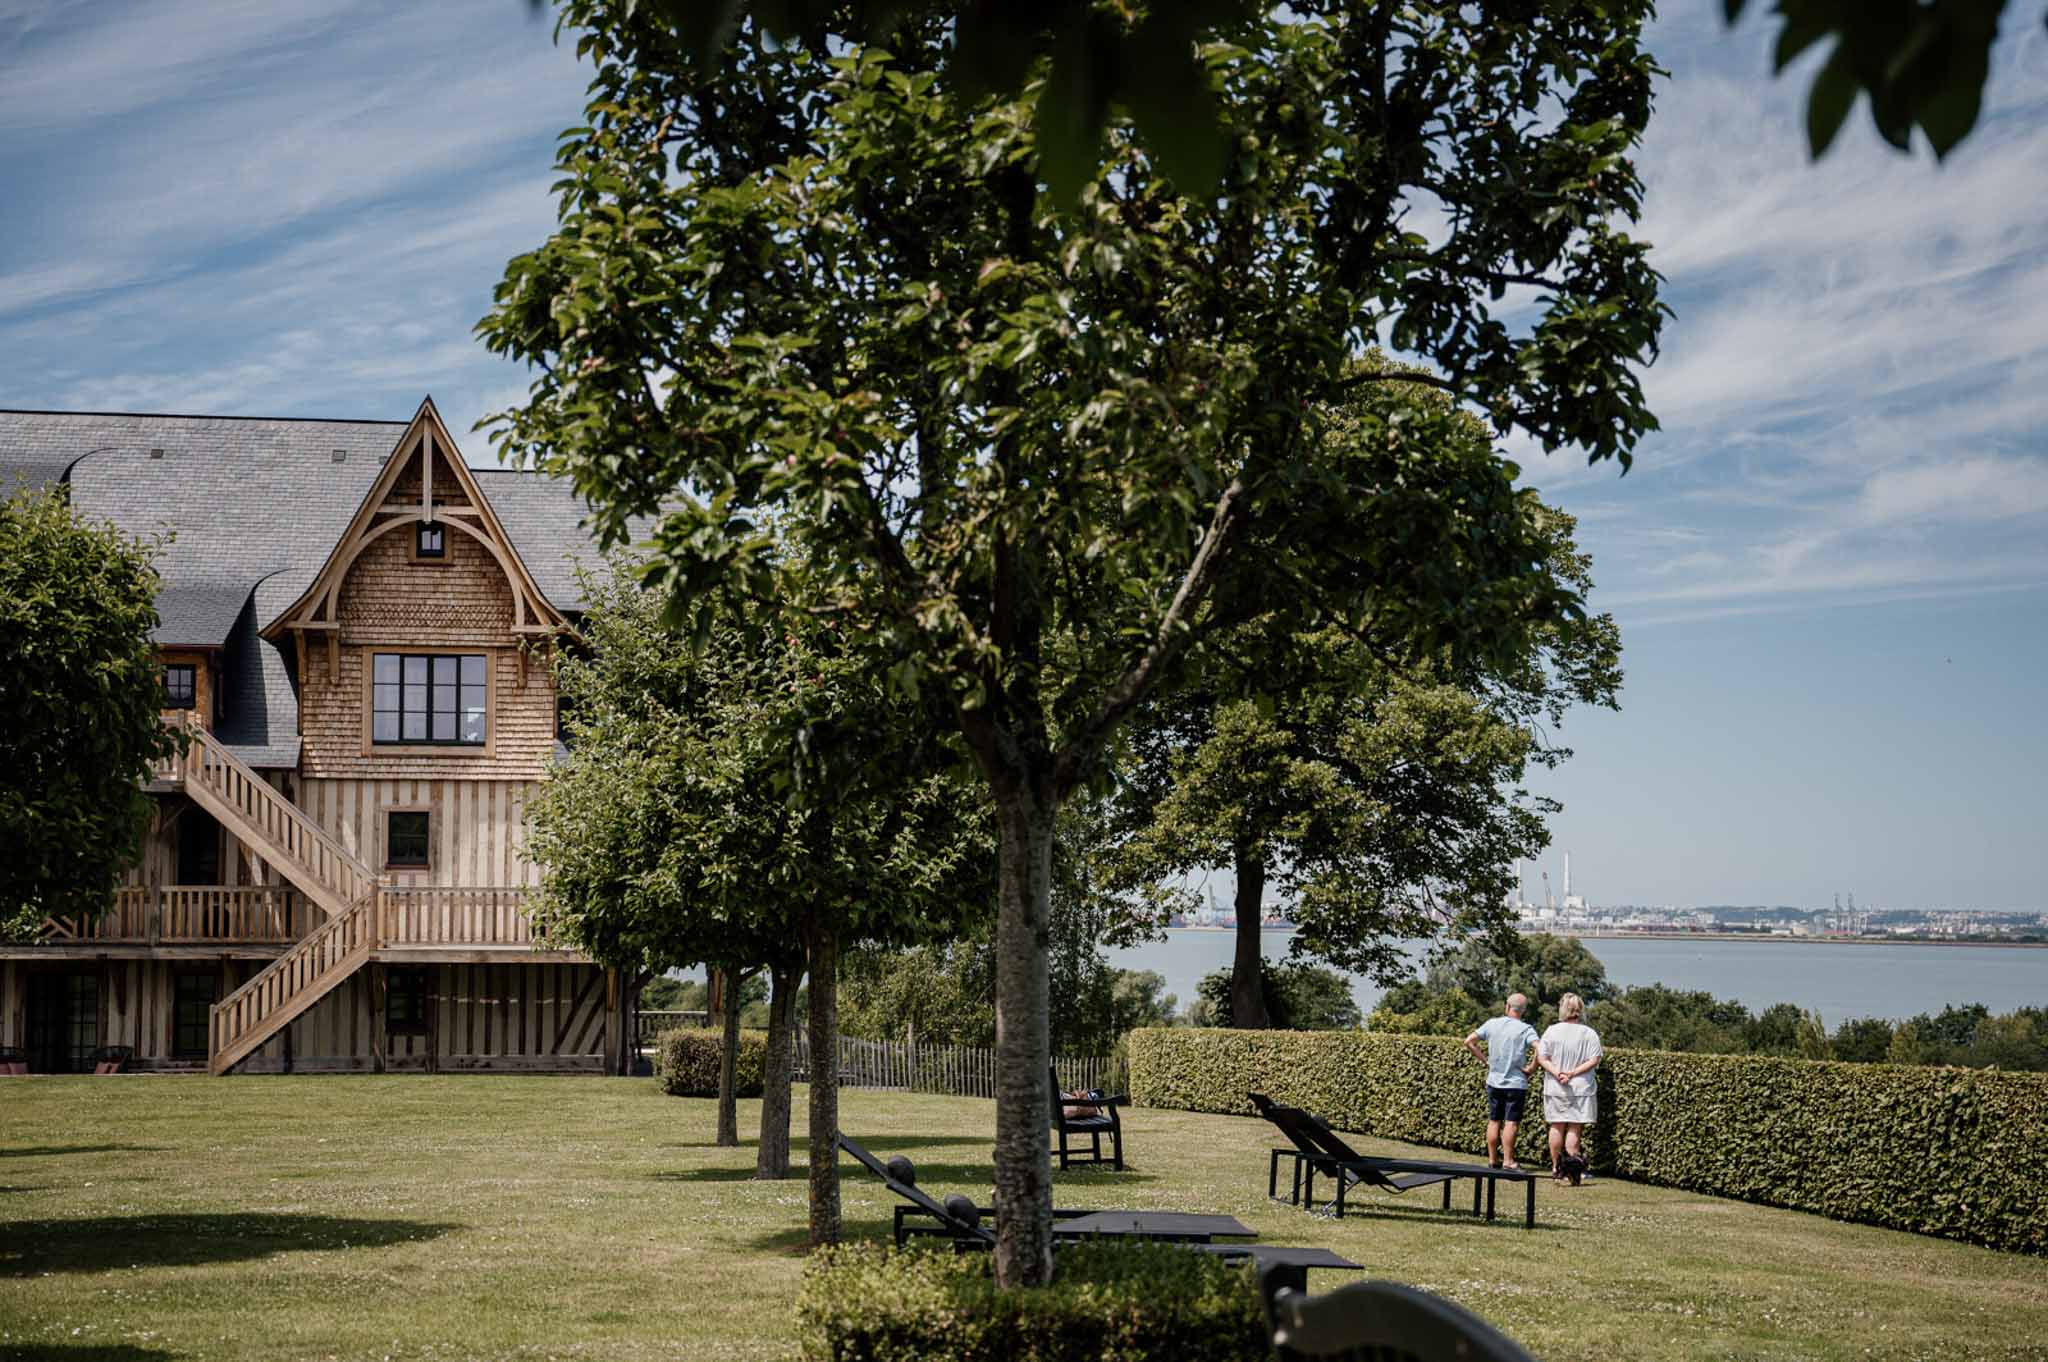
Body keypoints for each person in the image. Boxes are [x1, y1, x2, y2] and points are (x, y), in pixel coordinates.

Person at [1463, 992, 1538, 1169]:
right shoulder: (1526, 1029)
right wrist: (1531, 1068)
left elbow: (1469, 1041)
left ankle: (1492, 1160)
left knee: (1494, 1120)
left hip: (1494, 1081)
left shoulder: (1492, 1024)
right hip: (1516, 1084)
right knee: (1511, 1122)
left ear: (1507, 1006)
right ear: (1523, 1010)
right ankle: (1508, 1161)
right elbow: (1540, 1048)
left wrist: (1485, 1061)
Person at [1538, 992, 1604, 1185]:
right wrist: (1572, 1073)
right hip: (1580, 1088)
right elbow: (1594, 1059)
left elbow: (1542, 1058)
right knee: (1575, 1127)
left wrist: (1557, 1072)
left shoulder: (1551, 1031)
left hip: (1555, 1086)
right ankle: (1574, 1169)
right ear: (1580, 1010)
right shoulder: (1589, 1033)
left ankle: (1555, 1167)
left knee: (1556, 1126)